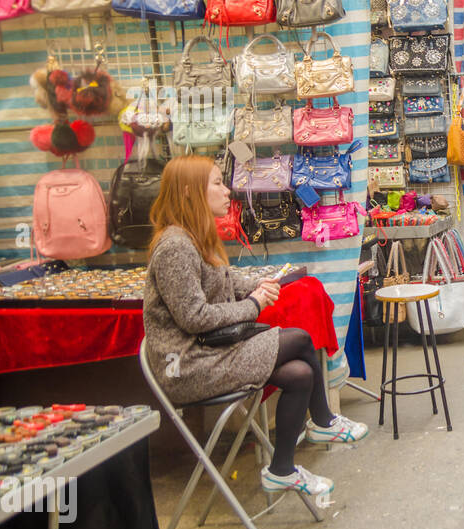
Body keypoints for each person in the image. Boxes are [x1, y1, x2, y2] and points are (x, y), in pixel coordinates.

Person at [143, 156, 367, 500]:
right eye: (217, 183)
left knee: (299, 374)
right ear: (190, 192)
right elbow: (194, 317)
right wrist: (253, 305)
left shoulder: (192, 238)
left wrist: (259, 284)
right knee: (300, 338)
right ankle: (323, 422)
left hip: (211, 351)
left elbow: (224, 279)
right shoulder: (174, 246)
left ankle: (282, 470)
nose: (227, 190)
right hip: (189, 365)